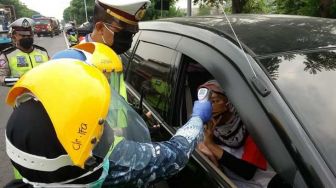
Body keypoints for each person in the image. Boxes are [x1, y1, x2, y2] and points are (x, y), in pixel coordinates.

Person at [4, 59, 212, 187]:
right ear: (81, 159)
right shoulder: (113, 171)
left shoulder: (36, 174)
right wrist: (197, 118)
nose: (103, 130)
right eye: (95, 136)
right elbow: (174, 154)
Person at [197, 80, 278, 188]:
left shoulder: (251, 127)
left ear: (229, 102)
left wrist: (211, 145)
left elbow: (247, 172)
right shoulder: (206, 130)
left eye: (214, 101)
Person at [0, 17, 49, 86]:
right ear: (14, 37)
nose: (27, 37)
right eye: (23, 35)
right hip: (22, 95)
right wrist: (19, 80)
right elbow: (1, 77)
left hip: (43, 93)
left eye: (29, 35)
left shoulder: (43, 52)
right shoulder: (7, 55)